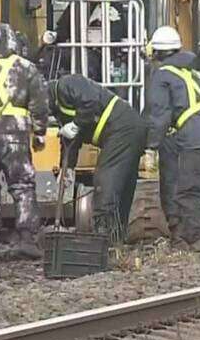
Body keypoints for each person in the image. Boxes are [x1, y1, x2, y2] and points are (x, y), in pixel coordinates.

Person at [0, 23, 51, 259]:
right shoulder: (27, 69)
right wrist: (40, 133)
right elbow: (39, 104)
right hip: (16, 137)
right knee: (23, 186)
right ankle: (26, 237)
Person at [144, 26, 200, 251]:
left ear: (157, 53)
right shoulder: (192, 71)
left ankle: (191, 240)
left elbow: (160, 115)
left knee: (187, 190)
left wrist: (151, 146)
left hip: (194, 137)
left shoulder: (162, 75)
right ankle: (197, 231)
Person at [49, 73, 148, 244]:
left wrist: (76, 124)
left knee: (106, 180)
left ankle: (102, 237)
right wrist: (68, 168)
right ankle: (116, 239)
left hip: (124, 128)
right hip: (125, 131)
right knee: (122, 186)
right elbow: (71, 139)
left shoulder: (68, 84)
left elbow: (90, 101)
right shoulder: (58, 109)